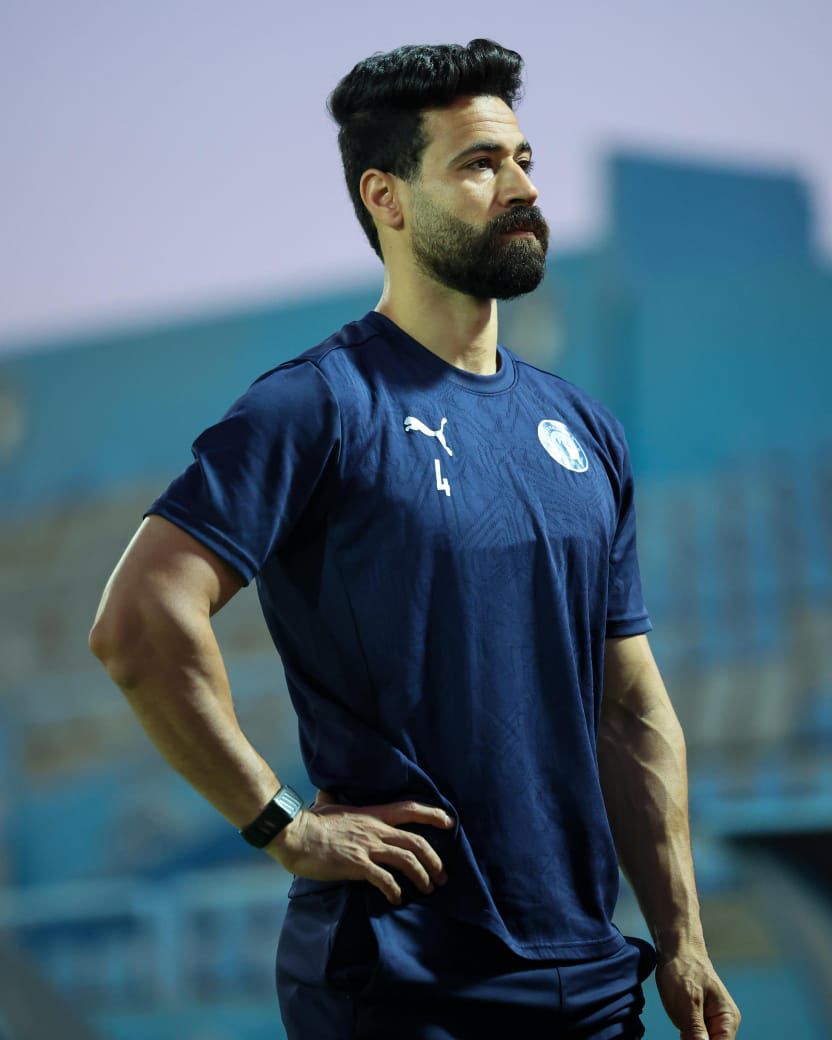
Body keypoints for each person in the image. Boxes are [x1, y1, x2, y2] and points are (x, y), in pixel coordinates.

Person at [88, 37, 741, 1040]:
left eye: (523, 159)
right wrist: (282, 823)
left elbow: (631, 709)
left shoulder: (583, 430)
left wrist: (682, 938)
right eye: (479, 164)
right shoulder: (315, 405)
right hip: (401, 977)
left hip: (593, 978)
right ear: (386, 198)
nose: (520, 187)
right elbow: (139, 622)